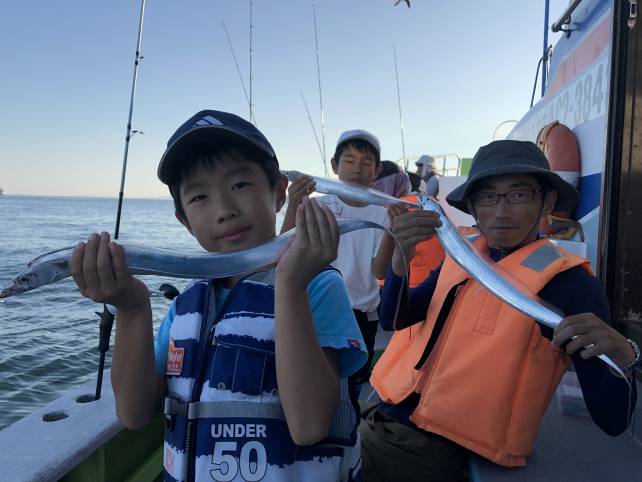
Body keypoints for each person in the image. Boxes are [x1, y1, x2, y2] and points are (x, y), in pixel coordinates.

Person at [69, 110, 368, 481]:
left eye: (240, 185)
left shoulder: (316, 286)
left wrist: (290, 286)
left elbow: (309, 425)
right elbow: (134, 413)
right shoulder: (185, 307)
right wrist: (131, 309)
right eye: (199, 197)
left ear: (278, 194)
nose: (225, 210)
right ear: (184, 220)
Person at [360, 140, 639, 481]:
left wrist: (624, 356)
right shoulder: (462, 253)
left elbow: (612, 420)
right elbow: (395, 319)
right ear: (472, 206)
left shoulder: (570, 285)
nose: (501, 211)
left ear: (548, 200)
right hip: (385, 411)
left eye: (519, 194)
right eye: (487, 197)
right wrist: (399, 261)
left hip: (438, 449)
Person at [282, 130, 392, 387]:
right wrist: (294, 204)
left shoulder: (383, 213)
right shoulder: (317, 205)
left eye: (366, 163)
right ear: (334, 165)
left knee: (352, 382)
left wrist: (393, 232)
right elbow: (285, 249)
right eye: (349, 161)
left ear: (376, 171)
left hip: (361, 313)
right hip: (317, 305)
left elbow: (379, 271)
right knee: (311, 377)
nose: (357, 169)